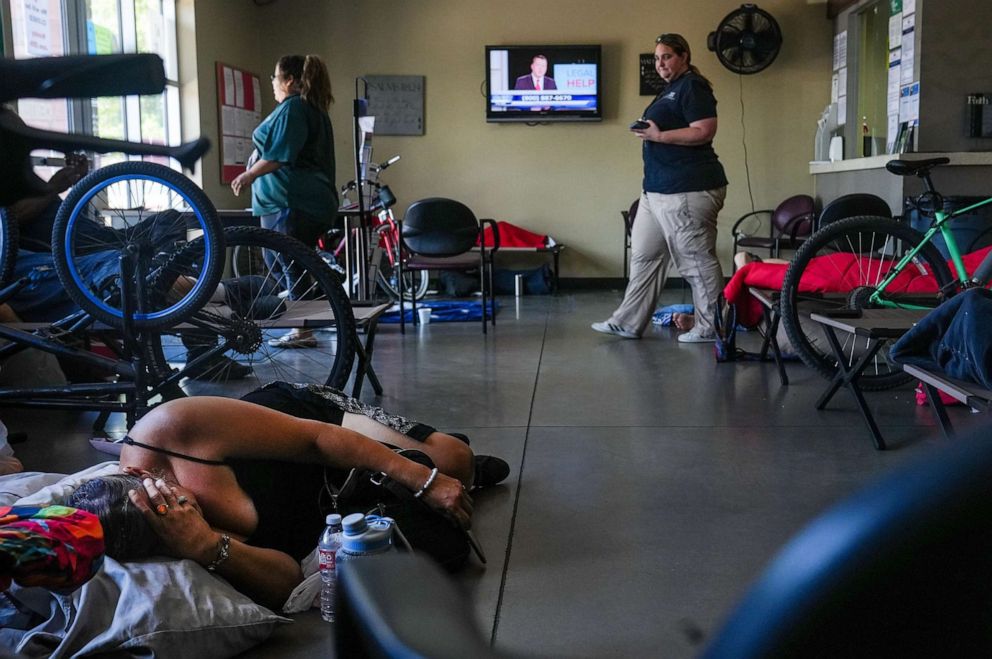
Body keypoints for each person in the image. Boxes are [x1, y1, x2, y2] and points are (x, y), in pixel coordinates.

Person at [66, 382, 510, 609]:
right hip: (324, 500)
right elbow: (284, 582)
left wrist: (422, 478)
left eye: (168, 493)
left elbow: (316, 438)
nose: (183, 505)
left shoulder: (171, 429)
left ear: (130, 469)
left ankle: (432, 451)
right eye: (170, 515)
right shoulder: (172, 530)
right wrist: (204, 544)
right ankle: (416, 451)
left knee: (454, 460)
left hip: (306, 426)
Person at [592, 33, 728, 343]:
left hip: (687, 188)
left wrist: (658, 136)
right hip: (656, 190)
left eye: (666, 56)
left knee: (695, 260)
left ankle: (711, 327)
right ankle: (627, 322)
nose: (660, 63)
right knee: (644, 256)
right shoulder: (671, 89)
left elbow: (704, 131)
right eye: (656, 58)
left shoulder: (693, 85)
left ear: (684, 56)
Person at [230, 54, 337, 350]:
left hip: (291, 201)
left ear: (289, 81)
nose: (273, 83)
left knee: (286, 264)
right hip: (305, 201)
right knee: (291, 266)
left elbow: (280, 153)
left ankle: (303, 330)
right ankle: (307, 323)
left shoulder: (294, 108)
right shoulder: (310, 108)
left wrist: (248, 175)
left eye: (275, 78)